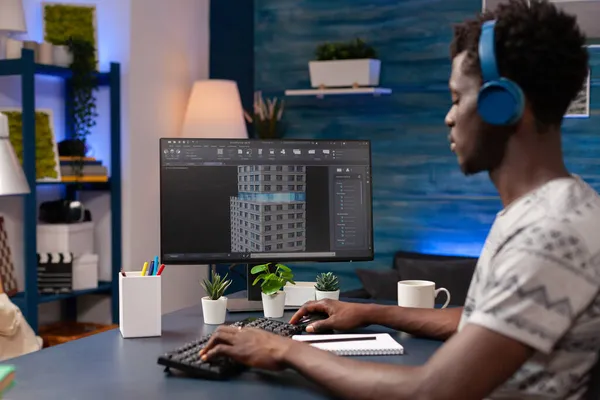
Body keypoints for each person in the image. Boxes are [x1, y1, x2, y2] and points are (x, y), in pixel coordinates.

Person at [200, 0, 599, 398]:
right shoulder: (549, 211)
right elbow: (484, 322)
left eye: (458, 99)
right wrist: (371, 312)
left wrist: (283, 349)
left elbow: (429, 391)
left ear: (504, 104)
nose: (449, 116)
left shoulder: (549, 234)